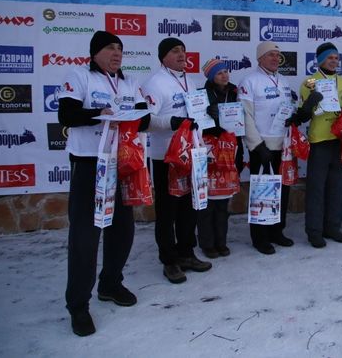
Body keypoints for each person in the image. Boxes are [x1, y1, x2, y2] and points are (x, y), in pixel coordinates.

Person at [59, 31, 150, 336]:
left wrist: (131, 115)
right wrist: (100, 113)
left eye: (120, 48)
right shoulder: (80, 76)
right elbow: (66, 114)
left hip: (121, 163)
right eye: (110, 48)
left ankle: (111, 283)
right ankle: (78, 305)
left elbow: (145, 118)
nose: (117, 53)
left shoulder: (128, 82)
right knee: (86, 235)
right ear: (95, 52)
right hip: (89, 164)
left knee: (123, 230)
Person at [142, 38, 212, 284]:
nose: (182, 54)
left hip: (191, 155)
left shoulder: (189, 80)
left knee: (189, 209)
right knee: (167, 211)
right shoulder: (155, 82)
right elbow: (146, 120)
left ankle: (186, 253)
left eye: (183, 50)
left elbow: (197, 115)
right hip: (166, 157)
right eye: (175, 51)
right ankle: (169, 260)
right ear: (163, 57)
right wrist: (171, 122)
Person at [238, 40, 296, 255]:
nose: (275, 59)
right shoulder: (249, 81)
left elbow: (287, 109)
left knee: (282, 192)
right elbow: (245, 116)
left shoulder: (283, 81)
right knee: (262, 193)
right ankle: (259, 237)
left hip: (283, 145)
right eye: (270, 55)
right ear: (260, 57)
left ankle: (276, 231)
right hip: (261, 147)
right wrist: (256, 145)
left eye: (277, 55)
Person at [299, 42, 342, 248]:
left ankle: (332, 226)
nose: (334, 61)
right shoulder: (310, 82)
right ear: (320, 60)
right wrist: (311, 101)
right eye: (330, 58)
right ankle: (314, 231)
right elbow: (303, 114)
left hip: (338, 141)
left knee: (336, 187)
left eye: (337, 58)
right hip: (319, 141)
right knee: (316, 189)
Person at [197, 59, 244, 258]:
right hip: (208, 150)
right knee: (207, 201)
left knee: (223, 200)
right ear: (210, 77)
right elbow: (195, 123)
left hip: (230, 149)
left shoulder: (235, 92)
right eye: (219, 73)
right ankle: (207, 243)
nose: (224, 76)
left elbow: (242, 119)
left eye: (226, 71)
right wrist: (208, 116)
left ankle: (221, 241)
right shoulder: (201, 94)